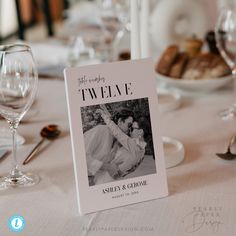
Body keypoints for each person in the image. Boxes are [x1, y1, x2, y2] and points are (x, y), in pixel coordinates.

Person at [95, 105, 148, 184]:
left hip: (106, 179)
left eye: (132, 128)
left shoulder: (135, 146)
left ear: (140, 132)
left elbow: (117, 132)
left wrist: (104, 115)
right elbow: (118, 129)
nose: (130, 130)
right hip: (110, 178)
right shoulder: (141, 149)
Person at [84, 106, 134, 186]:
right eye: (129, 125)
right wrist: (107, 167)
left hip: (94, 181)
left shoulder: (117, 143)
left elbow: (111, 166)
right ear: (120, 121)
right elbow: (81, 157)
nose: (130, 129)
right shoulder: (100, 130)